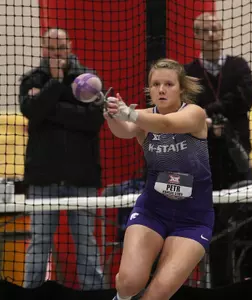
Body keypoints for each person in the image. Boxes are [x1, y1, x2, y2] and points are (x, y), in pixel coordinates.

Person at [104, 58, 214, 300]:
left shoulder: (194, 114)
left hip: (193, 219)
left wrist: (130, 114)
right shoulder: (141, 117)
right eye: (155, 84)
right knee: (128, 282)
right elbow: (124, 131)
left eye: (169, 84)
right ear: (149, 89)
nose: (161, 89)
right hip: (152, 211)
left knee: (158, 294)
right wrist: (113, 115)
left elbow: (166, 124)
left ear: (181, 89)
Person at [18, 28, 104, 290]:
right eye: (52, 49)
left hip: (82, 176)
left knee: (86, 243)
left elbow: (93, 120)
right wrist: (55, 84)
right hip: (44, 178)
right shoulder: (32, 79)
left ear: (70, 45)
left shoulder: (88, 79)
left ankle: (95, 293)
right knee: (40, 242)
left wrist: (49, 108)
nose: (57, 54)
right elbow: (31, 112)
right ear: (44, 49)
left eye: (61, 48)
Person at [184, 12, 252, 287]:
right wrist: (207, 120)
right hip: (205, 158)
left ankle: (239, 278)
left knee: (239, 220)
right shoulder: (189, 72)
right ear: (197, 36)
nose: (212, 35)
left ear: (222, 32)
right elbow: (188, 108)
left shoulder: (238, 66)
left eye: (215, 29)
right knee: (211, 225)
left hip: (236, 156)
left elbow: (244, 99)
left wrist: (208, 111)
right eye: (205, 31)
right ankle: (214, 282)